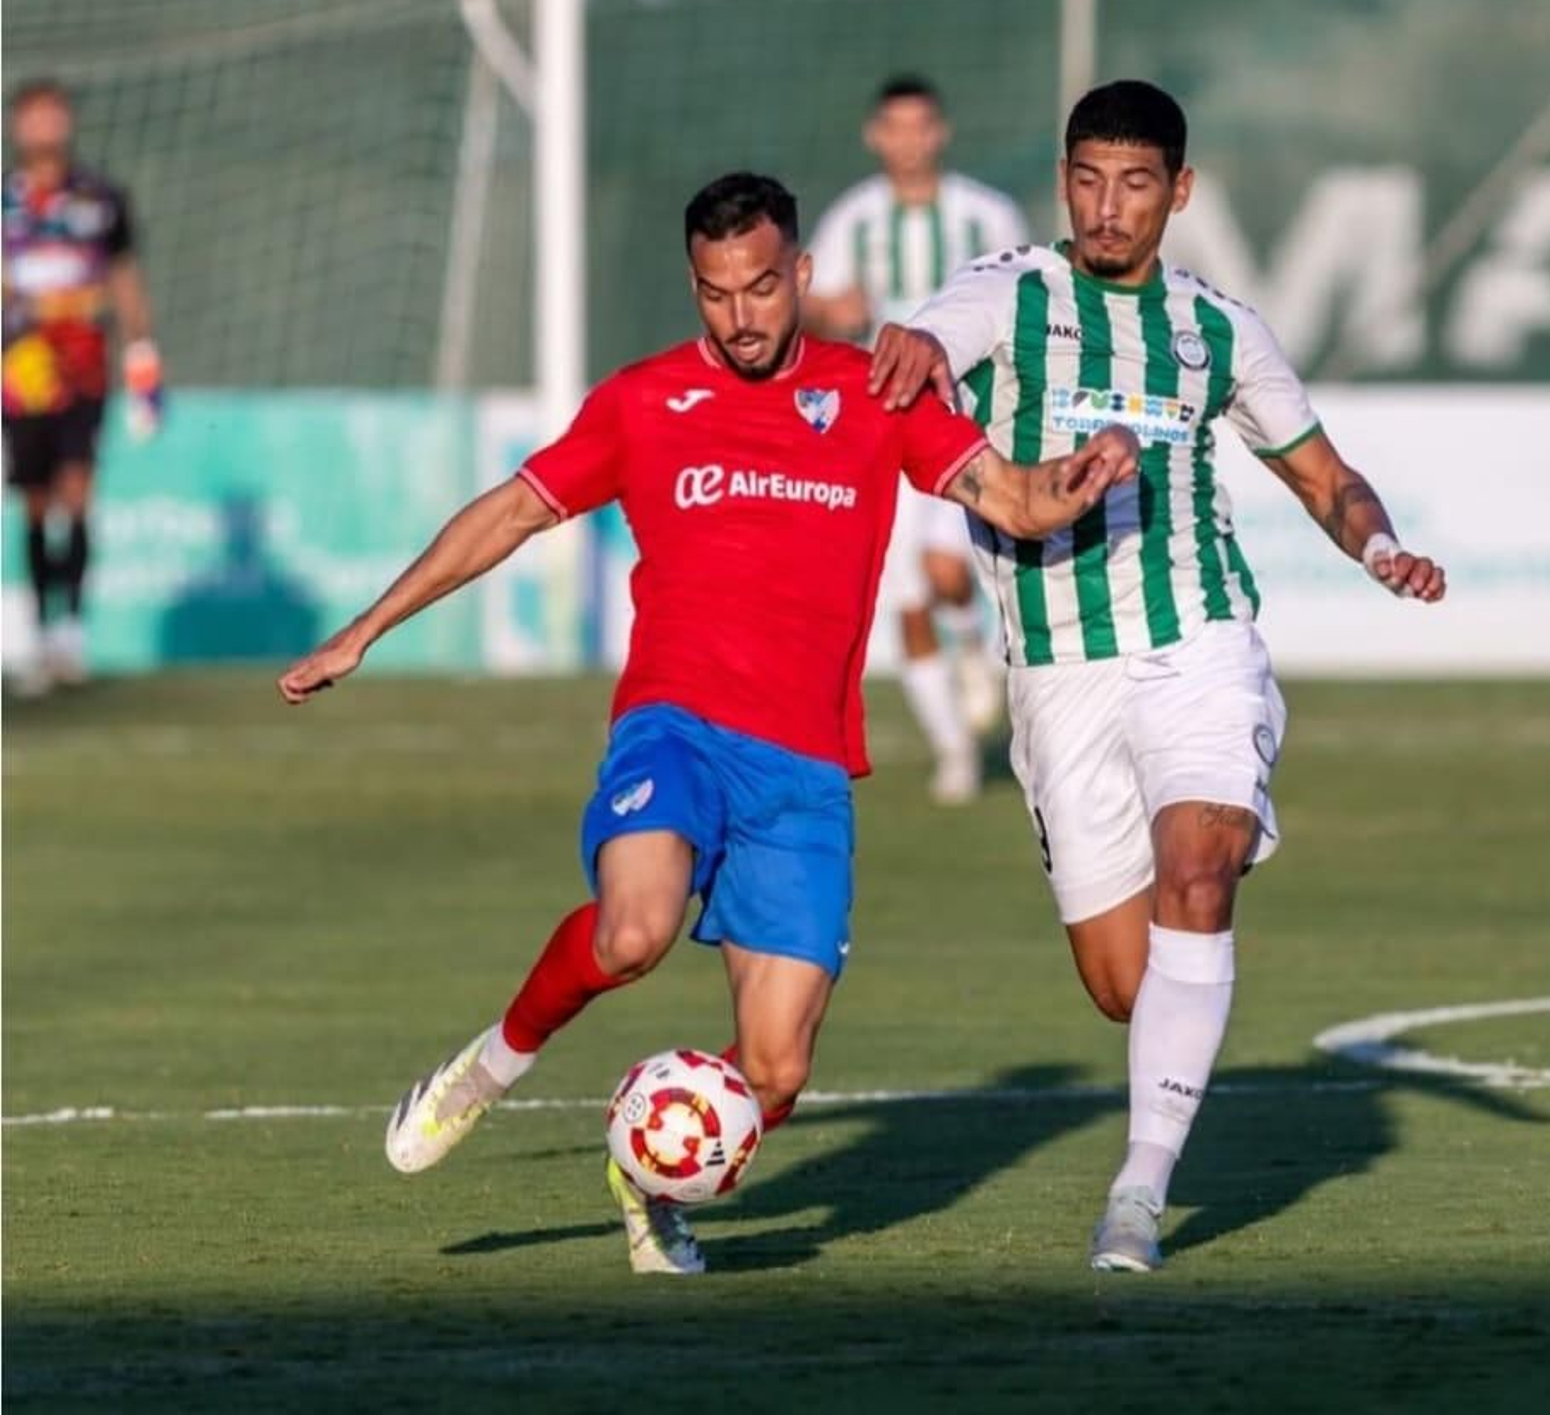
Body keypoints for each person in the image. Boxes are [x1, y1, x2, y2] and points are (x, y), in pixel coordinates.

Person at [277, 172, 1139, 1276]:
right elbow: (511, 511)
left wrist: (1081, 473)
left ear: (802, 274)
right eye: (717, 292)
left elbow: (1013, 499)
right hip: (675, 726)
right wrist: (365, 629)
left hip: (803, 771)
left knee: (775, 1074)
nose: (741, 316)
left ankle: (647, 1178)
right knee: (632, 930)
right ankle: (489, 1066)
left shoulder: (875, 391)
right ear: (694, 286)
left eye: (762, 287)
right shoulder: (643, 401)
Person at [870, 80, 1446, 1273]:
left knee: (1199, 863)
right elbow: (930, 343)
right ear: (1063, 181)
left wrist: (1378, 546)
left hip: (1200, 637)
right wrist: (916, 347)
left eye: (1134, 184)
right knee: (1124, 987)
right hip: (1057, 669)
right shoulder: (1008, 289)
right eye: (1087, 180)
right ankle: (1187, 1000)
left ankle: (1137, 1192)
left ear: (1177, 192)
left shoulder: (1219, 328)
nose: (1107, 207)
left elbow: (1324, 476)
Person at [804, 76, 1032, 804]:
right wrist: (828, 311)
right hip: (877, 432)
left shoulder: (985, 215)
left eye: (921, 126)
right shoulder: (854, 219)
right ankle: (955, 750)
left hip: (962, 420)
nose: (909, 142)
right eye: (895, 128)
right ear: (876, 135)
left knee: (944, 568)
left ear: (941, 132)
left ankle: (971, 648)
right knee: (903, 601)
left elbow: (1028, 299)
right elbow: (810, 308)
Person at [3, 77, 163, 694]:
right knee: (35, 500)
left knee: (78, 492)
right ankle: (40, 631)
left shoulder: (101, 198)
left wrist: (143, 355)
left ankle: (71, 631)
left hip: (84, 367)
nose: (44, 125)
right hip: (23, 369)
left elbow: (124, 278)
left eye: (53, 114)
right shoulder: (7, 199)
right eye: (33, 115)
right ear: (17, 126)